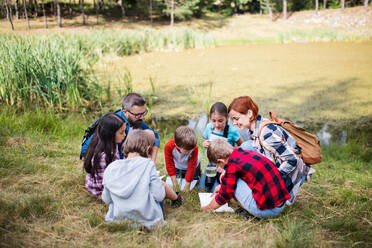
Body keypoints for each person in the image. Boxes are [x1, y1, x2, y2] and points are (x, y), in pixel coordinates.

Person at [228, 96, 311, 205]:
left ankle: (287, 194)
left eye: (236, 118)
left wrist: (272, 180)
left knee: (246, 149)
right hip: (278, 165)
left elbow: (292, 160)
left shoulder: (265, 134)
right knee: (246, 147)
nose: (234, 123)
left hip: (293, 173)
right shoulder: (256, 126)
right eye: (232, 119)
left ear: (249, 113)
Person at [102, 130, 181, 229]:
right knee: (159, 185)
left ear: (126, 145)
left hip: (118, 221)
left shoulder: (111, 167)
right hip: (148, 221)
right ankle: (176, 198)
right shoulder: (148, 165)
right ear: (148, 149)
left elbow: (106, 199)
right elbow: (159, 196)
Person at [201, 139, 291, 219]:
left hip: (269, 211)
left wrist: (208, 208)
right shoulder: (244, 153)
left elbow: (225, 195)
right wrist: (222, 186)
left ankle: (252, 211)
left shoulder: (232, 166)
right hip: (280, 204)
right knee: (229, 180)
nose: (219, 167)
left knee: (225, 178)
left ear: (221, 161)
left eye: (218, 165)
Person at [81, 93, 160, 162]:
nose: (143, 118)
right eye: (138, 115)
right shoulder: (114, 123)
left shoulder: (136, 120)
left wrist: (152, 163)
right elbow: (85, 151)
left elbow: (155, 137)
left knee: (149, 134)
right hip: (106, 159)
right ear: (125, 112)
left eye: (144, 113)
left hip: (119, 157)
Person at [199, 102, 243, 192]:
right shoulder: (209, 127)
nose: (217, 124)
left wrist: (232, 152)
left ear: (226, 118)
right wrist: (205, 143)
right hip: (212, 163)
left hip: (225, 165)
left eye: (220, 121)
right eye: (213, 121)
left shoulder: (232, 131)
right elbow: (205, 138)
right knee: (203, 186)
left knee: (217, 188)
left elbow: (242, 145)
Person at [84, 113, 126, 197]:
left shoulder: (113, 144)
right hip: (100, 190)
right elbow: (105, 183)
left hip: (109, 181)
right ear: (110, 134)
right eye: (121, 132)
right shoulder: (103, 156)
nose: (125, 135)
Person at [164, 126, 200, 193]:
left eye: (192, 149)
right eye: (188, 151)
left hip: (193, 166)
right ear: (177, 145)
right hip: (178, 166)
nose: (191, 151)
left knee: (193, 182)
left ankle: (195, 177)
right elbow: (169, 164)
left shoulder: (194, 147)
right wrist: (175, 184)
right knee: (178, 182)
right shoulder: (169, 146)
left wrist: (188, 184)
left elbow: (192, 166)